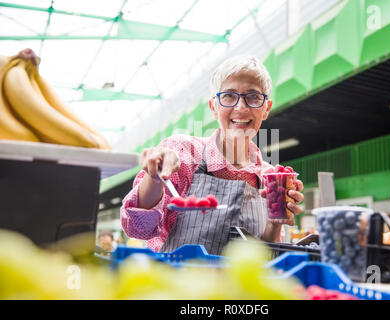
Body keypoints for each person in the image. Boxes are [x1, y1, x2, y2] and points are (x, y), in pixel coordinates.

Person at [120, 55, 304, 255]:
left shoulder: (270, 176)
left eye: (253, 97)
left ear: (266, 108)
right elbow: (138, 229)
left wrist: (276, 223)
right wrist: (154, 179)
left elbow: (266, 256)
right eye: (229, 96)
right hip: (176, 284)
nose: (241, 108)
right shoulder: (183, 152)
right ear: (214, 107)